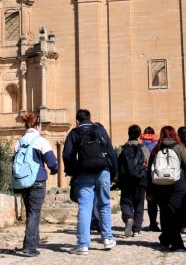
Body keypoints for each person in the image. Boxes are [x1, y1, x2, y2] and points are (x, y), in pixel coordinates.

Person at [62, 109, 118, 254]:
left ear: (77, 121)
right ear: (90, 118)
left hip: (84, 173)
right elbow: (111, 152)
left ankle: (83, 245)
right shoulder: (99, 130)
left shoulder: (74, 133)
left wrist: (73, 171)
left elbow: (67, 155)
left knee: (85, 208)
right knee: (104, 204)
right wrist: (113, 174)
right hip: (103, 171)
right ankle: (107, 239)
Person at [12, 112, 60, 256]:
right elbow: (52, 162)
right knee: (34, 213)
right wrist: (54, 170)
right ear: (38, 125)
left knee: (30, 212)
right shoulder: (41, 141)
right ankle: (29, 246)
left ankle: (34, 242)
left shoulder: (19, 142)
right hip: (37, 181)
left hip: (23, 181)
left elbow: (13, 163)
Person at [147, 125, 186, 251]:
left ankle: (166, 238)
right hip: (177, 183)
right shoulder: (179, 147)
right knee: (175, 212)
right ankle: (177, 243)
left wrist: (149, 190)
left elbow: (149, 170)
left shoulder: (156, 149)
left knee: (164, 211)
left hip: (159, 184)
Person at [117, 124, 150, 237]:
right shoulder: (144, 149)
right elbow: (149, 164)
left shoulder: (122, 149)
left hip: (126, 181)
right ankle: (136, 230)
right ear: (139, 135)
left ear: (128, 134)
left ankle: (128, 218)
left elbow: (118, 165)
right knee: (139, 205)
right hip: (140, 180)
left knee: (126, 202)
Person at [139, 126, 160, 230]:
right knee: (160, 199)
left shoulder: (140, 143)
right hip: (157, 173)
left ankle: (152, 223)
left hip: (144, 174)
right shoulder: (157, 143)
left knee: (150, 200)